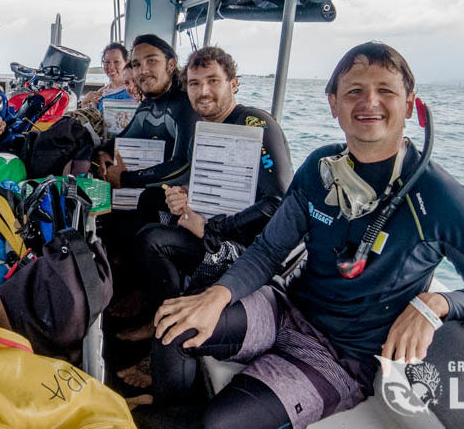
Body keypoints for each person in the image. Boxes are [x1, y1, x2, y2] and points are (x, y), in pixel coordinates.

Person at [151, 43, 464, 428]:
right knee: (172, 325)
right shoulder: (320, 167)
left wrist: (438, 303)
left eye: (385, 90)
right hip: (286, 306)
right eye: (354, 91)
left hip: (343, 355)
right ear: (333, 103)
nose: (369, 102)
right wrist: (217, 296)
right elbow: (268, 251)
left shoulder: (438, 196)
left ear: (411, 103)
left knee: (221, 422)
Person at [116, 47, 293, 384]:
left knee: (154, 241)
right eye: (195, 84)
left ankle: (163, 334)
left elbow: (277, 203)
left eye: (213, 81)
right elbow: (211, 186)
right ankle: (153, 309)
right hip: (211, 226)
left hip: (248, 245)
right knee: (152, 200)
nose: (204, 91)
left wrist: (211, 226)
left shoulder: (255, 124)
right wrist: (183, 197)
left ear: (234, 84)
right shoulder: (207, 128)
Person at [102, 34, 197, 189]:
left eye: (151, 61)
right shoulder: (148, 106)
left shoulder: (186, 105)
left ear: (171, 64)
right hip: (153, 197)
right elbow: (120, 140)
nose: (143, 70)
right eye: (136, 64)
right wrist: (102, 153)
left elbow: (183, 167)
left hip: (179, 206)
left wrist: (126, 179)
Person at [81, 43, 136, 110]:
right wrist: (84, 103)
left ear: (126, 62)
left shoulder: (134, 90)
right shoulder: (101, 93)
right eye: (107, 62)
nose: (111, 67)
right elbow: (93, 119)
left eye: (116, 62)